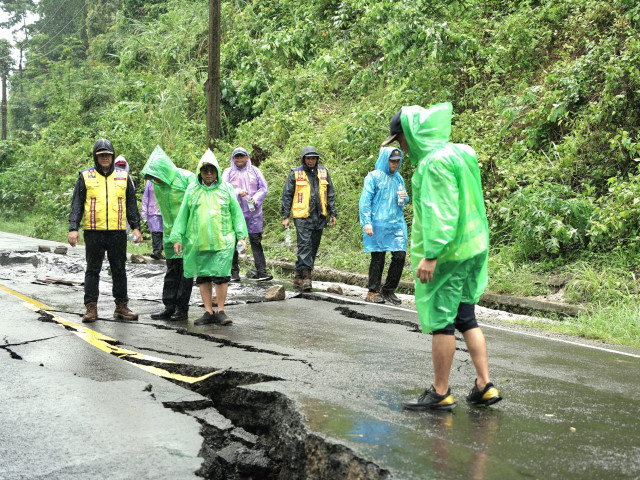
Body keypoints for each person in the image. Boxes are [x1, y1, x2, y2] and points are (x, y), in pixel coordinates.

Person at [381, 102, 502, 410]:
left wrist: (431, 254)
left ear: (411, 133)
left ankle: (440, 391)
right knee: (466, 316)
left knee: (442, 323)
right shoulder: (462, 152)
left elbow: (441, 211)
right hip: (473, 245)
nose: (403, 148)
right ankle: (484, 385)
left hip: (448, 253)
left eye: (402, 139)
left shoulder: (433, 164)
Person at [171, 150, 248, 326]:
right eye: (205, 170)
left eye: (212, 170)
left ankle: (220, 311)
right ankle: (208, 311)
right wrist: (177, 237)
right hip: (198, 242)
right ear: (200, 172)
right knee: (204, 277)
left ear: (217, 172)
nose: (208, 174)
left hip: (223, 242)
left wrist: (242, 237)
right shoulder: (192, 190)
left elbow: (236, 214)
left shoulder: (226, 189)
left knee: (221, 276)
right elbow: (183, 214)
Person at [68, 139, 142, 323]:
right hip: (93, 231)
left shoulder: (123, 177)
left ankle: (121, 306)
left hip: (117, 232)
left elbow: (131, 205)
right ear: (96, 156)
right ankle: (91, 308)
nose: (105, 158)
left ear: (112, 156)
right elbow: (77, 204)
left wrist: (136, 227)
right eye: (101, 155)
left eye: (108, 155)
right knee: (93, 269)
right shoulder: (85, 176)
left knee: (119, 269)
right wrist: (73, 228)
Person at [141, 145, 195, 321]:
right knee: (172, 270)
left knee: (185, 272)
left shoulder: (186, 178)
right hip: (169, 234)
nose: (156, 180)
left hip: (187, 233)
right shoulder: (158, 185)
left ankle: (182, 309)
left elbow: (197, 203)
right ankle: (169, 306)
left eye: (157, 176)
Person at [281, 146, 337, 290]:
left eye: (313, 158)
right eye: (308, 158)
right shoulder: (296, 173)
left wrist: (333, 213)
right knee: (304, 245)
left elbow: (329, 194)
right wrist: (285, 215)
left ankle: (298, 277)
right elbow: (287, 195)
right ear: (303, 159)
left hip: (319, 216)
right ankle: (307, 277)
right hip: (302, 216)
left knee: (313, 246)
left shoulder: (324, 172)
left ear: (317, 159)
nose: (311, 161)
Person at [359, 146, 409, 305]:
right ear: (385, 160)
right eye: (392, 161)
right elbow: (365, 201)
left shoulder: (398, 178)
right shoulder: (373, 177)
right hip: (378, 224)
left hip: (396, 224)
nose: (395, 164)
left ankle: (388, 289)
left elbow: (402, 201)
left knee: (400, 255)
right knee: (378, 256)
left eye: (397, 161)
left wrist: (405, 197)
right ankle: (373, 291)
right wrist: (367, 222)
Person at [222, 147, 272, 282]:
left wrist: (256, 198)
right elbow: (223, 188)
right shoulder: (228, 172)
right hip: (235, 212)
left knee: (256, 241)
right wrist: (237, 191)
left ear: (247, 157)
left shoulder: (255, 171)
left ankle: (262, 271)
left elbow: (263, 187)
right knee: (233, 242)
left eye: (241, 156)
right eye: (236, 157)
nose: (239, 159)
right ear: (233, 159)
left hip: (253, 213)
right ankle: (234, 273)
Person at [141, 179, 165, 260]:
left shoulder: (167, 179)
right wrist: (144, 211)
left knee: (164, 232)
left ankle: (160, 251)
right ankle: (157, 251)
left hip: (165, 210)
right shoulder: (150, 182)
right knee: (156, 231)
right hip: (153, 210)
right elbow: (146, 196)